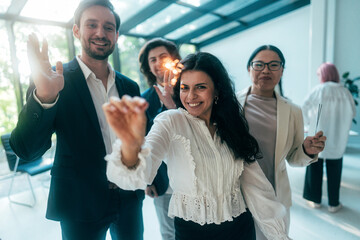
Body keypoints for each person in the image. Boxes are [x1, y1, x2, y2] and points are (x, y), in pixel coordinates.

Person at [103, 52, 292, 240]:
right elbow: (139, 176)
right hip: (192, 233)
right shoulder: (171, 121)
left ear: (217, 90)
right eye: (185, 88)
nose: (191, 96)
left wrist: (280, 236)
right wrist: (130, 145)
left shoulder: (232, 126)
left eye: (200, 87)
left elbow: (257, 188)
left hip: (240, 229)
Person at [10, 1, 144, 239]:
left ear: (116, 34)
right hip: (79, 202)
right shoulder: (53, 80)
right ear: (76, 30)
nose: (101, 33)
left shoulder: (130, 86)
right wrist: (45, 97)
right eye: (91, 25)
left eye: (108, 27)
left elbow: (142, 139)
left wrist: (155, 179)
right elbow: (25, 150)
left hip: (129, 196)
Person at [236, 45, 326, 239]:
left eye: (273, 65)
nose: (266, 70)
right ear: (249, 69)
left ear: (282, 71)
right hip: (237, 194)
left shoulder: (292, 110)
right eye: (259, 64)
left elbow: (294, 158)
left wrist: (306, 150)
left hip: (274, 197)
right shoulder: (231, 104)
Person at [138, 38, 181, 240]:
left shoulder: (189, 90)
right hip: (163, 179)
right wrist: (147, 181)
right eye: (152, 59)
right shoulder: (145, 99)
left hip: (195, 174)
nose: (157, 63)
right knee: (169, 232)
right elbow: (143, 142)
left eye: (162, 57)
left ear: (173, 59)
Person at [302, 63, 356, 213]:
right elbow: (352, 112)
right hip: (338, 138)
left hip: (318, 136)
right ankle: (334, 203)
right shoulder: (345, 92)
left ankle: (315, 200)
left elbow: (304, 108)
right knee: (335, 168)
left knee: (314, 166)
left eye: (319, 74)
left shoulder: (318, 90)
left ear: (324, 75)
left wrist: (309, 124)